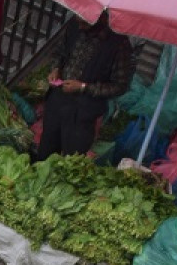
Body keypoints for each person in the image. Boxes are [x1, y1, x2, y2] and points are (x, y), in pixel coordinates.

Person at [36, 14, 135, 160]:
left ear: (100, 18)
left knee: (72, 160)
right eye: (78, 19)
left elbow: (120, 86)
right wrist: (56, 68)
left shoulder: (119, 44)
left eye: (84, 22)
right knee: (45, 152)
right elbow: (60, 53)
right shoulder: (74, 27)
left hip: (83, 112)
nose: (79, 24)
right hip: (58, 101)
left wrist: (83, 87)